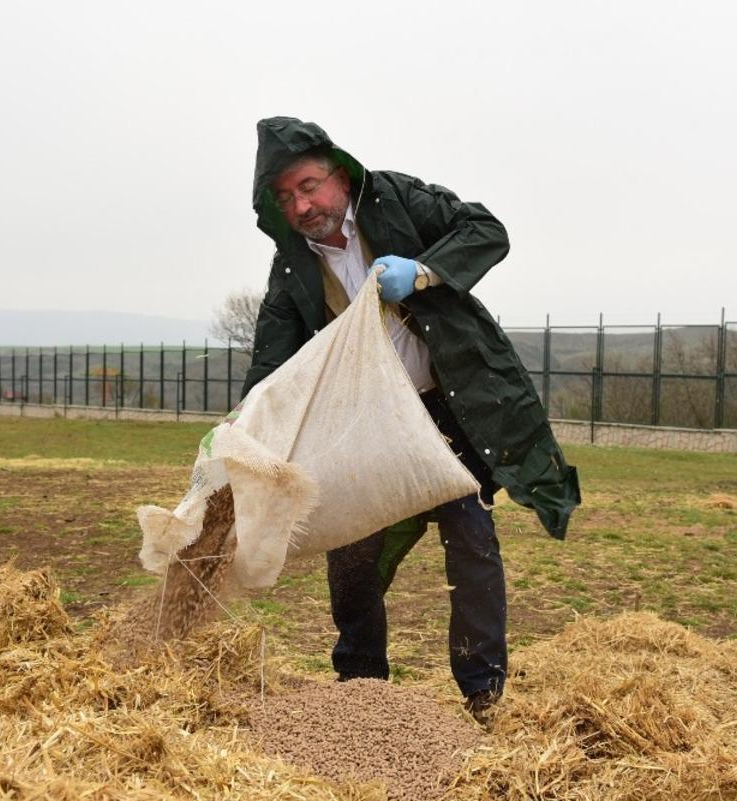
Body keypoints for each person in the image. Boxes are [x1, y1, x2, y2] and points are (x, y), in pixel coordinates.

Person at [241, 117, 581, 720]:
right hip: (367, 424)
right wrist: (243, 427)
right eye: (287, 196)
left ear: (339, 175)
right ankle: (361, 688)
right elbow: (274, 358)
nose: (302, 204)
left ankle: (483, 689)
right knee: (350, 549)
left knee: (470, 542)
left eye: (310, 185)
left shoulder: (396, 199)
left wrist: (421, 272)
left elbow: (485, 231)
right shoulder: (292, 266)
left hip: (446, 409)